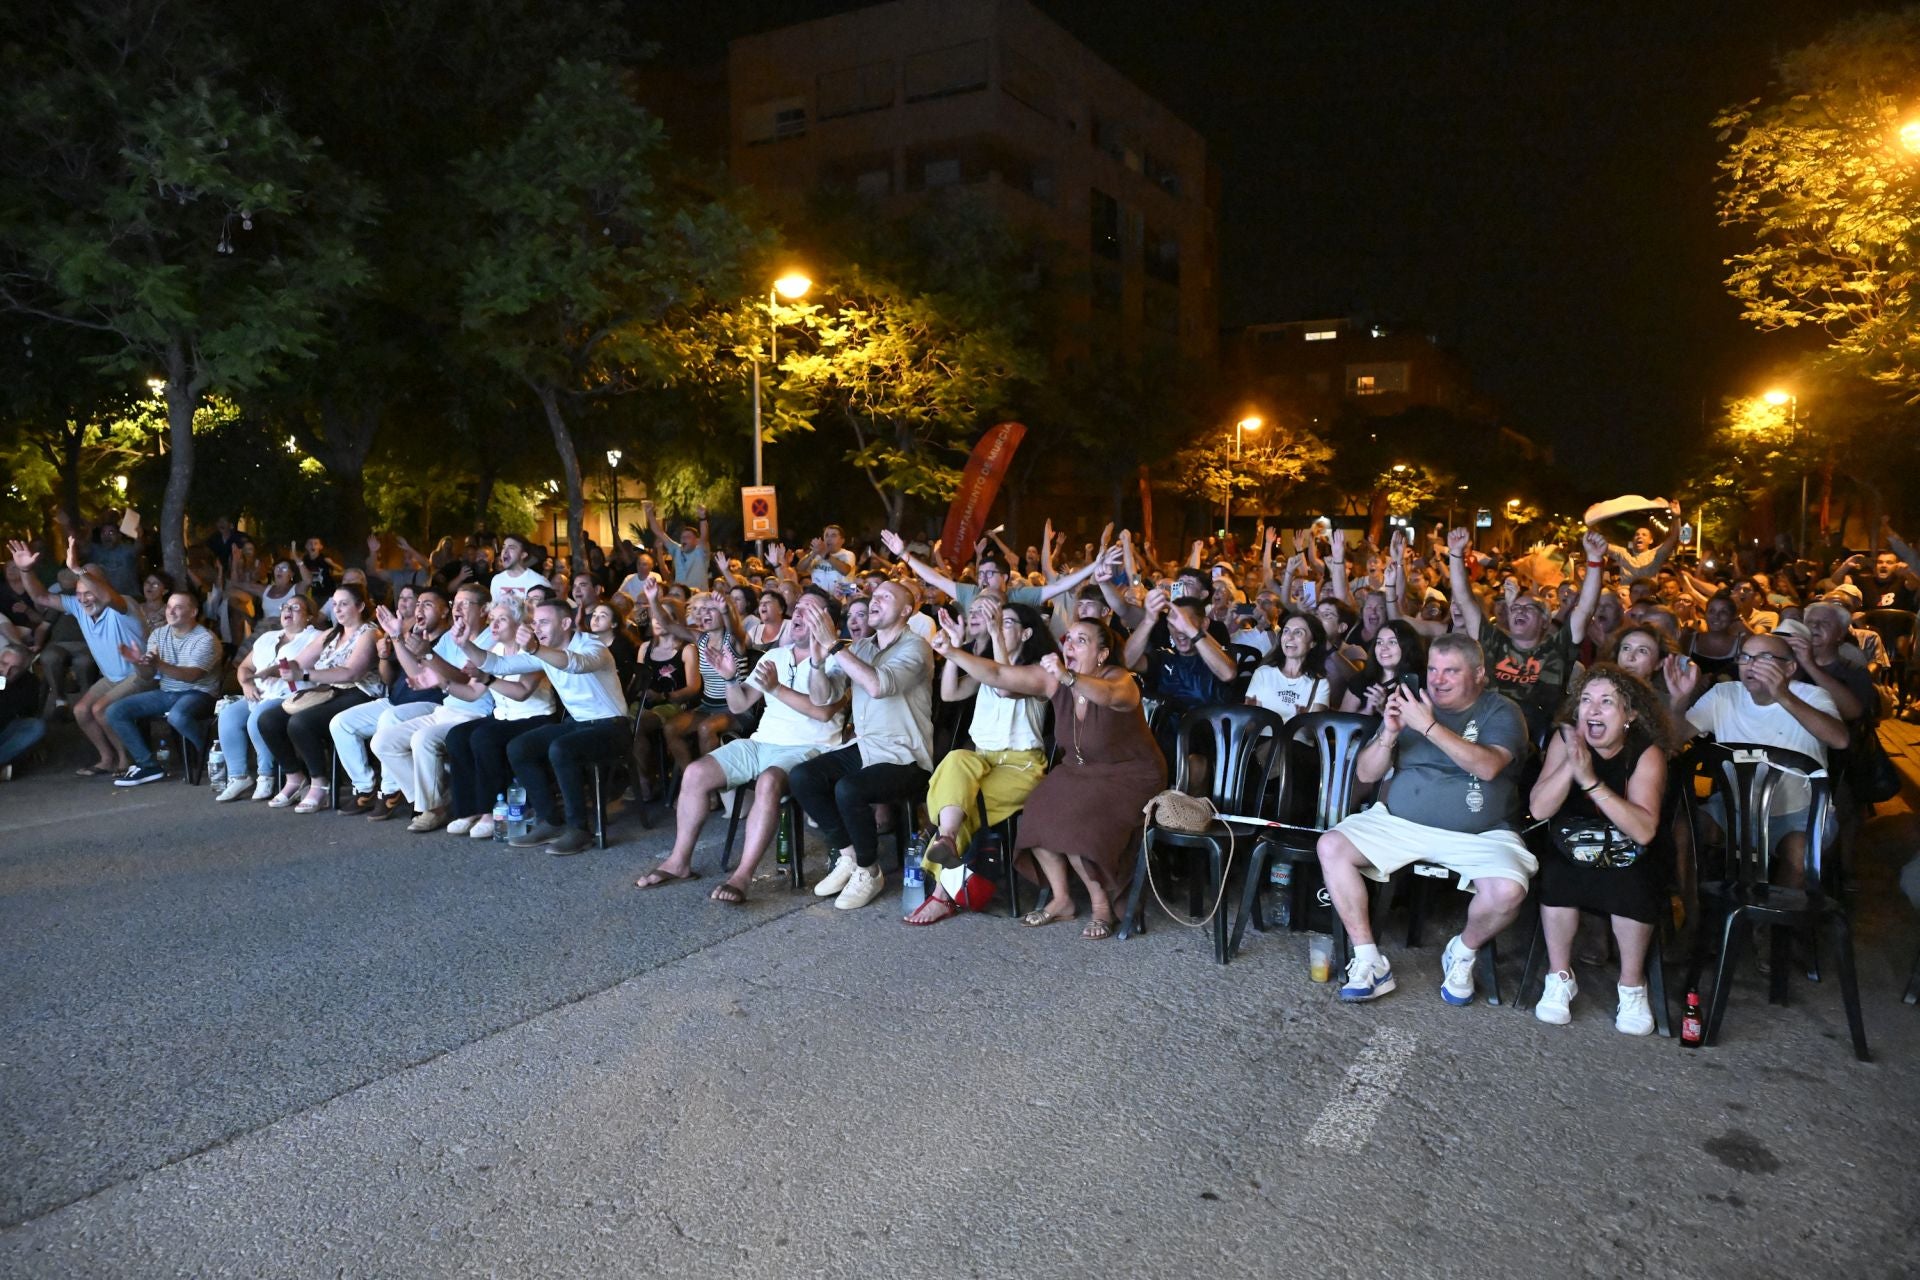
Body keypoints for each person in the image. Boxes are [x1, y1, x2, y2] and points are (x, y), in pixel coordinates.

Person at [1317, 632, 1537, 1005]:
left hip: (1481, 833)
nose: (1437, 680)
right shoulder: (1411, 706)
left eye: (1451, 671)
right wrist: (1387, 735)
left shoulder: (1501, 711)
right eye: (1433, 669)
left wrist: (1429, 727)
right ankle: (1369, 959)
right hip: (1400, 823)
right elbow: (1368, 775)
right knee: (1331, 845)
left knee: (1508, 892)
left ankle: (1463, 951)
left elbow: (1488, 767)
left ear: (1480, 674)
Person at [635, 590, 850, 902]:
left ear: (828, 621)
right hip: (763, 742)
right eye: (798, 609)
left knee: (769, 780)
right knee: (696, 772)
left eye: (811, 610)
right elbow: (739, 705)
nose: (800, 615)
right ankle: (678, 862)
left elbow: (822, 708)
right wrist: (731, 678)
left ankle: (742, 875)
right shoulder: (776, 655)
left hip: (811, 749)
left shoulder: (837, 660)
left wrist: (804, 669)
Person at [983, 619, 1167, 939]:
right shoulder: (1057, 679)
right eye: (1069, 639)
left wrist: (1069, 677)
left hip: (1131, 775)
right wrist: (952, 652)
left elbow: (1109, 697)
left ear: (1102, 653)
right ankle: (1062, 898)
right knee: (1037, 811)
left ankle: (1101, 907)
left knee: (1075, 821)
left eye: (1082, 640)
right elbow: (1000, 676)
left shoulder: (1120, 679)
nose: (1070, 645)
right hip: (1080, 770)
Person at [1527, 665, 1672, 1035]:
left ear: (1630, 715)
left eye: (1607, 702)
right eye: (1586, 701)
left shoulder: (1645, 752)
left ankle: (1632, 985)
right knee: (1558, 873)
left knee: (1633, 880)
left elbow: (1642, 830)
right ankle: (1559, 977)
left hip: (1630, 843)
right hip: (1573, 839)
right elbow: (1540, 809)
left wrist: (1590, 782)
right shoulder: (1566, 740)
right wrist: (1571, 765)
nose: (1593, 710)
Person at [789, 580, 936, 911]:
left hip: (906, 756)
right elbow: (822, 697)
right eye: (875, 595)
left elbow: (879, 685)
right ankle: (849, 856)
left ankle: (870, 871)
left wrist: (834, 645)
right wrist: (816, 658)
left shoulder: (916, 647)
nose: (875, 600)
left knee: (848, 789)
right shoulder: (862, 647)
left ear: (906, 610)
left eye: (886, 596)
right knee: (802, 777)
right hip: (868, 748)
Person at [1668, 629, 1849, 889]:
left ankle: (1766, 926)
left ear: (1789, 668)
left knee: (1798, 854)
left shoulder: (1812, 696)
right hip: (1733, 808)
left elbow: (1840, 740)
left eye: (1763, 658)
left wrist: (1782, 695)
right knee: (1683, 830)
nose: (1751, 666)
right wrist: (1678, 703)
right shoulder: (1725, 694)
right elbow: (1675, 740)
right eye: (1745, 657)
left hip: (1798, 814)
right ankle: (1692, 915)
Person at [912, 601, 1057, 924]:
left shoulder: (1041, 671)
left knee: (963, 803)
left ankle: (940, 895)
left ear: (1027, 632)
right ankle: (947, 837)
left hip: (1021, 767)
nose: (996, 624)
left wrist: (988, 636)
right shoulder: (986, 665)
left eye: (1006, 622)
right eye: (996, 621)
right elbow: (949, 694)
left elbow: (1005, 685)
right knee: (955, 759)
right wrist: (952, 649)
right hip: (981, 758)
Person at [453, 597, 632, 856]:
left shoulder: (592, 645)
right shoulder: (544, 652)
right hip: (578, 724)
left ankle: (579, 830)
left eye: (544, 622)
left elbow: (575, 664)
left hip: (613, 727)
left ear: (567, 623)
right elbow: (498, 665)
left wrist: (536, 649)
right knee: (520, 747)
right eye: (535, 622)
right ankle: (550, 820)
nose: (537, 628)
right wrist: (464, 644)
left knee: (561, 748)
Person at [8, 537, 149, 775]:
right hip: (112, 678)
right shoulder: (78, 606)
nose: (83, 598)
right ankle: (107, 758)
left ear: (104, 586)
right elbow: (41, 597)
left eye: (89, 591)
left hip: (141, 674)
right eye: (79, 592)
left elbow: (105, 597)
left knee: (100, 709)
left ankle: (127, 761)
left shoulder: (124, 604)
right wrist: (25, 570)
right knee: (81, 710)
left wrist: (77, 569)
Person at [1449, 527, 1606, 739]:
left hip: (1535, 739)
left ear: (1545, 621)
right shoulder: (1493, 640)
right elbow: (1465, 599)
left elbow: (1586, 608)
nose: (1519, 611)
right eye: (1515, 608)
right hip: (1484, 732)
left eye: (1528, 608)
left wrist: (1595, 560)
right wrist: (1456, 553)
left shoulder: (1556, 649)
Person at [368, 584, 500, 832]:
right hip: (446, 711)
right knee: (383, 742)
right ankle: (435, 800)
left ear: (484, 610)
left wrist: (428, 655)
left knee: (422, 739)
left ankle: (434, 808)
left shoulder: (491, 638)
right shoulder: (451, 637)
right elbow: (418, 672)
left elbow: (464, 680)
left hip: (476, 713)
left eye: (465, 604)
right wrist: (397, 638)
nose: (457, 609)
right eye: (455, 603)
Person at [255, 584, 382, 813]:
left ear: (361, 606)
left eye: (344, 604)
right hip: (328, 691)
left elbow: (351, 672)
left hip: (360, 692)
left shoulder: (370, 633)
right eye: (335, 604)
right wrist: (275, 669)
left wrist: (303, 675)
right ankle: (295, 777)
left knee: (301, 722)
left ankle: (319, 784)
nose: (338, 609)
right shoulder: (330, 633)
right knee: (268, 720)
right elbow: (300, 662)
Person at [441, 596, 558, 839]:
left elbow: (522, 693)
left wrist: (488, 678)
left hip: (535, 717)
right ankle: (468, 809)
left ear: (519, 623)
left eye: (501, 619)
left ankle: (491, 811)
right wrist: (443, 683)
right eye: (492, 619)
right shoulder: (494, 651)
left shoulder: (533, 650)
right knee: (457, 735)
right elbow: (473, 693)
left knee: (484, 737)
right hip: (504, 717)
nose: (494, 625)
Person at [104, 588, 222, 786]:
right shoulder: (158, 634)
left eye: (178, 607)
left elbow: (192, 676)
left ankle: (210, 751)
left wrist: (158, 663)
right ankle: (148, 765)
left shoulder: (205, 639)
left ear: (193, 612)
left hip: (200, 693)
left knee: (178, 716)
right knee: (115, 711)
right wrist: (138, 662)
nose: (171, 611)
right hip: (167, 691)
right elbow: (148, 676)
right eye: (169, 607)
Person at [213, 594, 321, 802]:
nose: (287, 611)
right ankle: (238, 776)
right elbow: (244, 667)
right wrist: (246, 684)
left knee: (258, 718)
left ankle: (266, 775)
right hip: (260, 694)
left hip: (291, 694)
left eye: (295, 608)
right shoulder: (268, 637)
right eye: (285, 607)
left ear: (309, 616)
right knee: (228, 715)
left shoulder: (315, 637)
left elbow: (297, 665)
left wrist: (271, 672)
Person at [1246, 612, 1332, 721]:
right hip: (1265, 737)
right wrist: (1248, 714)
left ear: (1313, 643)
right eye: (1286, 631)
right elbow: (1249, 727)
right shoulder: (1263, 673)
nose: (1289, 637)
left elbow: (1312, 733)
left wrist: (1302, 720)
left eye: (1298, 633)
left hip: (1297, 738)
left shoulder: (1320, 683)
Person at [1338, 619, 1427, 714]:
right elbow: (1340, 724)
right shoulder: (1360, 680)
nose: (1383, 647)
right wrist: (1368, 710)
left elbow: (1418, 725)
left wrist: (1383, 709)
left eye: (1392, 642)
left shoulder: (1420, 682)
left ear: (1408, 646)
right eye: (1379, 642)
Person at [1602, 500, 1682, 582]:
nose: (1639, 536)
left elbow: (1673, 538)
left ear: (1651, 541)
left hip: (1647, 593)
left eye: (1644, 535)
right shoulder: (1622, 554)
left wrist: (1676, 518)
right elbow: (1601, 544)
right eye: (1637, 534)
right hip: (1626, 593)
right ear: (1633, 540)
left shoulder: (1657, 554)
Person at [0, 643, 47, 777]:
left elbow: (30, 714)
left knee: (36, 726)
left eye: (14, 669)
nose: (6, 671)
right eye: (3, 663)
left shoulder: (29, 683)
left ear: (24, 670)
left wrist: (37, 743)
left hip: (4, 729)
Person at [646, 500, 711, 591]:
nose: (683, 539)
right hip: (680, 597)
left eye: (688, 537)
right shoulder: (676, 549)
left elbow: (704, 537)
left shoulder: (701, 552)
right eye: (682, 537)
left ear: (696, 541)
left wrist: (703, 518)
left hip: (699, 598)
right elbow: (659, 532)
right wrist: (649, 514)